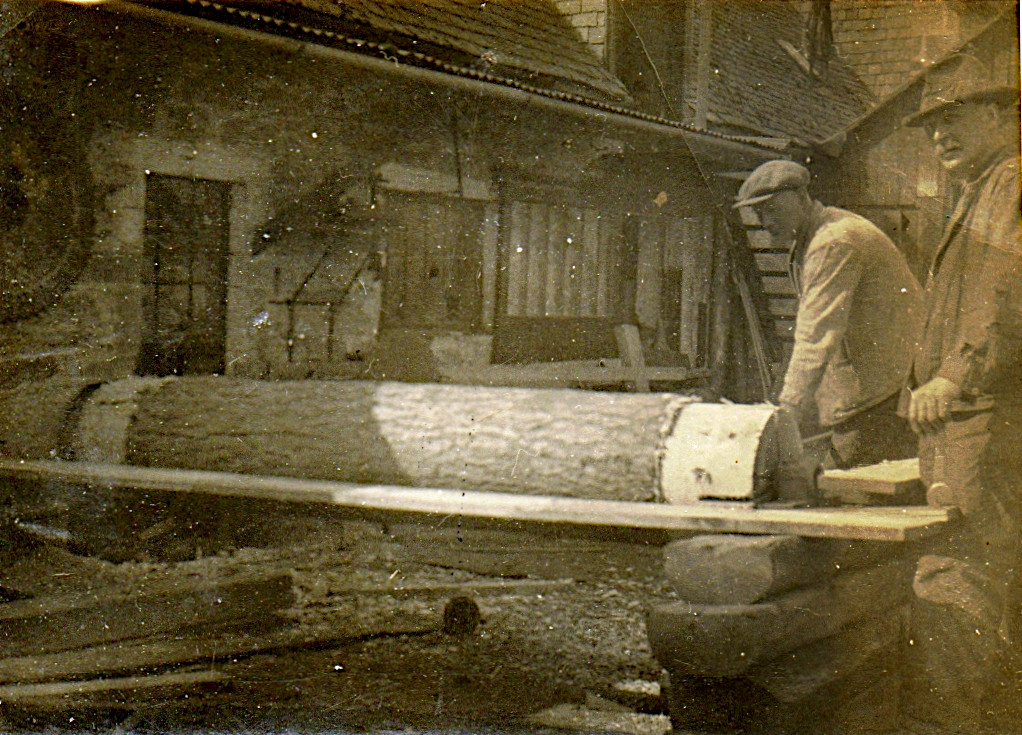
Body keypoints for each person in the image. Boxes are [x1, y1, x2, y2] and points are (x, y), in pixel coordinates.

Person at [899, 53, 1022, 734]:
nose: (939, 136)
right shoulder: (985, 186)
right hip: (968, 426)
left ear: (1000, 115)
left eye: (954, 119)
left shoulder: (1008, 183)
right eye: (931, 127)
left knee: (955, 584)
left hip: (981, 425)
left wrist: (954, 374)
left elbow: (1006, 291)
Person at [732, 159, 922, 470]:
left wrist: (789, 409)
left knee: (844, 493)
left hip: (883, 397)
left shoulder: (834, 241)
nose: (764, 220)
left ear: (800, 197)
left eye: (771, 209)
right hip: (874, 391)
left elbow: (816, 334)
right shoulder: (812, 238)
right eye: (757, 212)